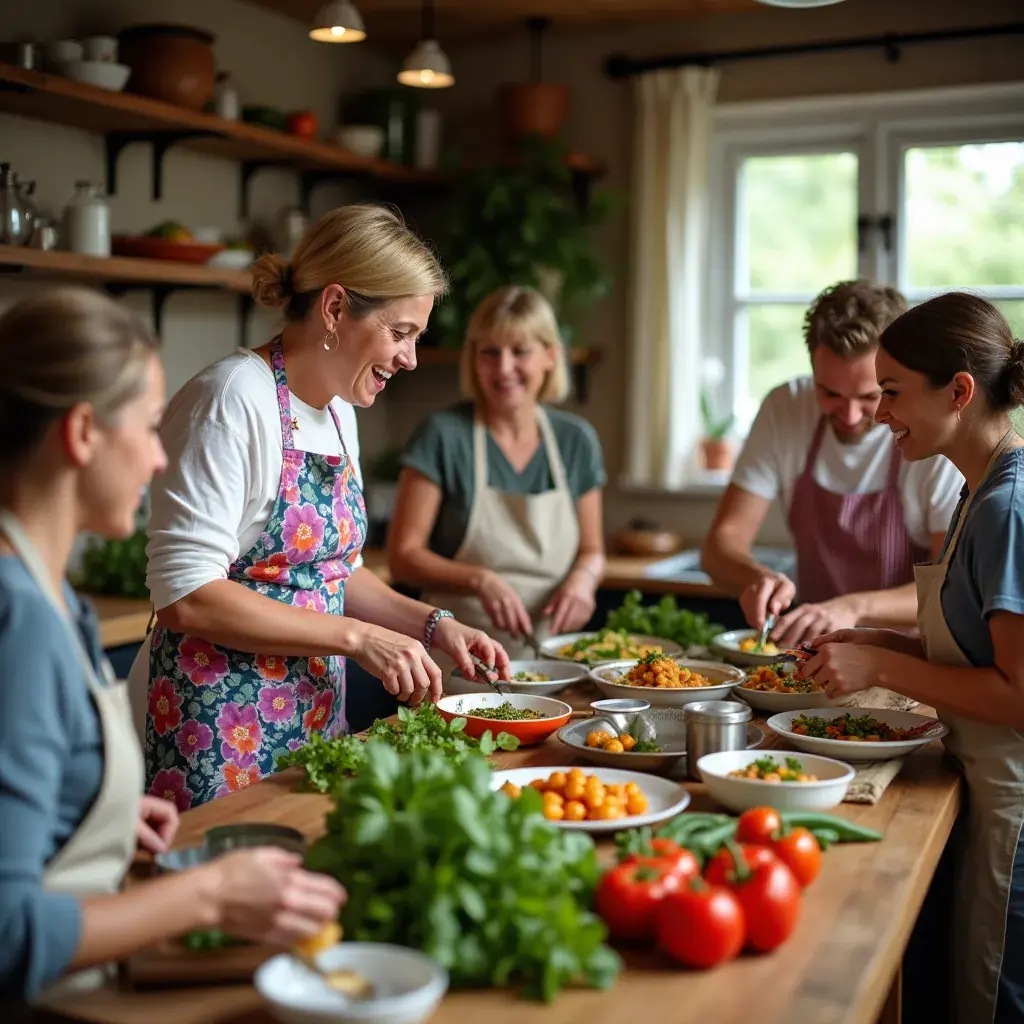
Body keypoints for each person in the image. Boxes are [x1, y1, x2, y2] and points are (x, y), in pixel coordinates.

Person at [0, 289, 344, 1009]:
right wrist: (210, 893)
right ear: (83, 433)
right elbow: (7, 936)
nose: (161, 457)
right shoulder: (20, 620)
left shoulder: (52, 596)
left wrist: (96, 812)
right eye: (149, 427)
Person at [134, 204, 509, 809]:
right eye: (400, 332)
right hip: (216, 727)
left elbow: (333, 573)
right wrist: (359, 639)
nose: (410, 358)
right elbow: (187, 595)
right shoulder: (231, 398)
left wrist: (433, 624)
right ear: (335, 308)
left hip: (311, 717)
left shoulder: (337, 410)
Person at [803, 293, 1024, 1024]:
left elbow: (1019, 695)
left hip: (1014, 808)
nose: (877, 413)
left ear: (958, 391)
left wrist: (882, 670)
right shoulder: (977, 489)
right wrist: (877, 642)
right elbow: (974, 648)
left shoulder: (1006, 508)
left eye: (892, 392)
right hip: (983, 784)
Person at [701, 279, 963, 647]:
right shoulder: (785, 409)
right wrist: (756, 578)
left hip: (907, 658)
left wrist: (853, 608)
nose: (851, 415)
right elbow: (719, 549)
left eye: (871, 396)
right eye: (830, 394)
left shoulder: (930, 435)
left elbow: (949, 589)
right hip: (812, 652)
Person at [387, 286, 606, 668]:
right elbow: (403, 558)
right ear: (473, 359)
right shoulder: (443, 435)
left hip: (553, 662)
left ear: (550, 356)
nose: (504, 368)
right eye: (489, 352)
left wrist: (584, 580)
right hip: (456, 663)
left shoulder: (576, 441)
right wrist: (480, 580)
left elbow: (592, 550)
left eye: (520, 351)